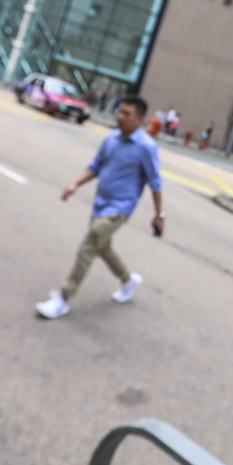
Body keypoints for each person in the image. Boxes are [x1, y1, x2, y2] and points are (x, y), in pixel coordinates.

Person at [35, 96, 165, 319]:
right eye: (120, 111)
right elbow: (95, 167)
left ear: (139, 119)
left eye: (126, 114)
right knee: (102, 246)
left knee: (90, 244)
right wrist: (74, 184)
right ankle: (127, 279)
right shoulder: (111, 138)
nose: (119, 116)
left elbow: (155, 183)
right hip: (100, 204)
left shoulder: (146, 147)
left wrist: (159, 215)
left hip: (120, 208)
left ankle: (63, 298)